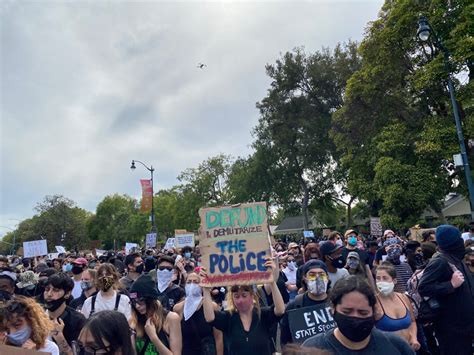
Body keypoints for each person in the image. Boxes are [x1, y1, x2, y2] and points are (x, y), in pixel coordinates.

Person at [302, 276, 414, 354]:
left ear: (373, 312)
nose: (355, 317)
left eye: (363, 313)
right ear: (333, 309)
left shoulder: (397, 346)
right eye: (346, 312)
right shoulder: (312, 349)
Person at [202, 258, 285, 355]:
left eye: (244, 296)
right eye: (236, 296)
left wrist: (272, 282)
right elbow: (209, 317)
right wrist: (206, 289)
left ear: (252, 296)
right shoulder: (229, 317)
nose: (240, 300)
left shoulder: (263, 315)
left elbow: (280, 310)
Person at [418, 225, 474, 355]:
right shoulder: (440, 261)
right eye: (458, 238)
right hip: (452, 328)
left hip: (465, 325)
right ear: (453, 242)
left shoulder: (456, 258)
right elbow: (424, 287)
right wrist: (451, 285)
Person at [280, 260, 331, 346]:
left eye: (321, 274)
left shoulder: (337, 302)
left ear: (327, 277)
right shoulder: (294, 307)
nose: (317, 278)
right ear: (304, 278)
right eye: (312, 275)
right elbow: (285, 342)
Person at [129, 274, 182, 355]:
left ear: (150, 300)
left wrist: (153, 337)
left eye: (140, 300)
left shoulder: (171, 318)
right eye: (133, 302)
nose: (137, 306)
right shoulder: (133, 320)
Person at [173, 271, 224, 355]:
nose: (192, 285)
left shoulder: (212, 306)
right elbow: (176, 339)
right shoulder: (178, 308)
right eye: (189, 282)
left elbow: (218, 337)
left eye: (196, 282)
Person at [374, 263, 419, 351]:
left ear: (394, 280)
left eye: (385, 278)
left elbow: (413, 322)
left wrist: (414, 338)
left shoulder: (403, 298)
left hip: (408, 349)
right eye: (378, 278)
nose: (381, 281)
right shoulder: (374, 302)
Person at [43, 272, 87, 353]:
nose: (49, 294)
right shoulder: (37, 315)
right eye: (47, 289)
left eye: (56, 290)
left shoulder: (78, 320)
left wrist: (59, 338)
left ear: (67, 294)